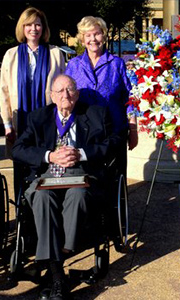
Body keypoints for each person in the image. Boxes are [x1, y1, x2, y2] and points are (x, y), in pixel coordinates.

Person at [12, 75, 121, 300]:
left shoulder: (95, 114)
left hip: (82, 174)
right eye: (60, 91)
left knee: (78, 194)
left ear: (77, 93)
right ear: (52, 96)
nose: (65, 95)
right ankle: (58, 275)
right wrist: (49, 156)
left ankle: (59, 257)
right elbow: (18, 149)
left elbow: (114, 143)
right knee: (42, 197)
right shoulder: (38, 117)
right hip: (47, 175)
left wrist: (81, 153)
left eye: (70, 90)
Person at [64, 16, 137, 178]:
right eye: (88, 35)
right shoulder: (73, 65)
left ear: (103, 36)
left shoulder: (117, 64)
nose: (93, 39)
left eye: (96, 34)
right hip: (84, 132)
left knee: (115, 177)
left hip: (114, 131)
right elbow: (65, 98)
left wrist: (133, 129)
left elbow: (130, 98)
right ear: (82, 40)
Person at [0, 7, 65, 143]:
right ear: (22, 28)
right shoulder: (11, 55)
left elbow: (63, 89)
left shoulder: (55, 53)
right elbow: (4, 92)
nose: (33, 29)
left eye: (38, 24)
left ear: (43, 27)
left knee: (48, 159)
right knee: (21, 158)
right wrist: (7, 124)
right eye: (28, 25)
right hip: (19, 121)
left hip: (49, 121)